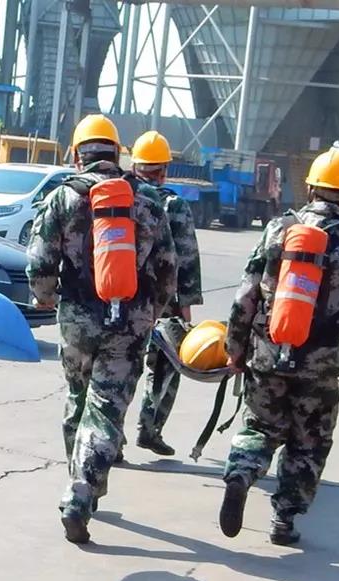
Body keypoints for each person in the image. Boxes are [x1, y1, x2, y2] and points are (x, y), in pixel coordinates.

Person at [219, 144, 339, 546]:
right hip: (321, 361)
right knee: (309, 440)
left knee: (260, 426)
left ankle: (241, 472)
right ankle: (284, 519)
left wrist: (235, 346)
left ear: (311, 187)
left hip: (268, 351)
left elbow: (246, 293)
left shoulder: (278, 228)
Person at [27, 114, 176, 544]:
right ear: (117, 153)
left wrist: (45, 296)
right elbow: (168, 269)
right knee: (107, 408)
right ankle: (83, 490)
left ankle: (80, 481)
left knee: (78, 399)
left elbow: (39, 261)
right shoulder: (148, 201)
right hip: (130, 322)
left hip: (77, 318)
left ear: (77, 154)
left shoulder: (63, 197)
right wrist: (152, 311)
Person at [130, 130, 204, 456]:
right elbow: (187, 259)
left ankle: (109, 438)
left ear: (134, 166)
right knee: (165, 368)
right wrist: (186, 308)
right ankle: (150, 427)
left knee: (118, 371)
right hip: (165, 303)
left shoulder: (123, 197)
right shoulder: (174, 205)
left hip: (122, 298)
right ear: (164, 171)